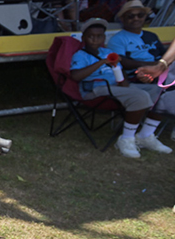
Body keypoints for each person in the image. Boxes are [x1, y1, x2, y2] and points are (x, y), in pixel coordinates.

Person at [71, 17, 171, 157]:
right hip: (95, 89)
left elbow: (120, 71)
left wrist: (122, 77)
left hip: (115, 86)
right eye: (91, 36)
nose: (95, 39)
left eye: (99, 36)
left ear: (104, 38)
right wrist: (102, 63)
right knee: (139, 97)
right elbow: (75, 76)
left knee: (163, 91)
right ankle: (126, 139)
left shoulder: (107, 53)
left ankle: (146, 135)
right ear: (83, 38)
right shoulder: (80, 55)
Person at [107, 0, 175, 121]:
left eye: (140, 15)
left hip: (160, 72)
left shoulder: (151, 35)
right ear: (122, 19)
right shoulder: (117, 39)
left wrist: (160, 66)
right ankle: (147, 131)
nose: (136, 18)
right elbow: (123, 62)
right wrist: (154, 65)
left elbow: (165, 56)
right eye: (131, 16)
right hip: (137, 75)